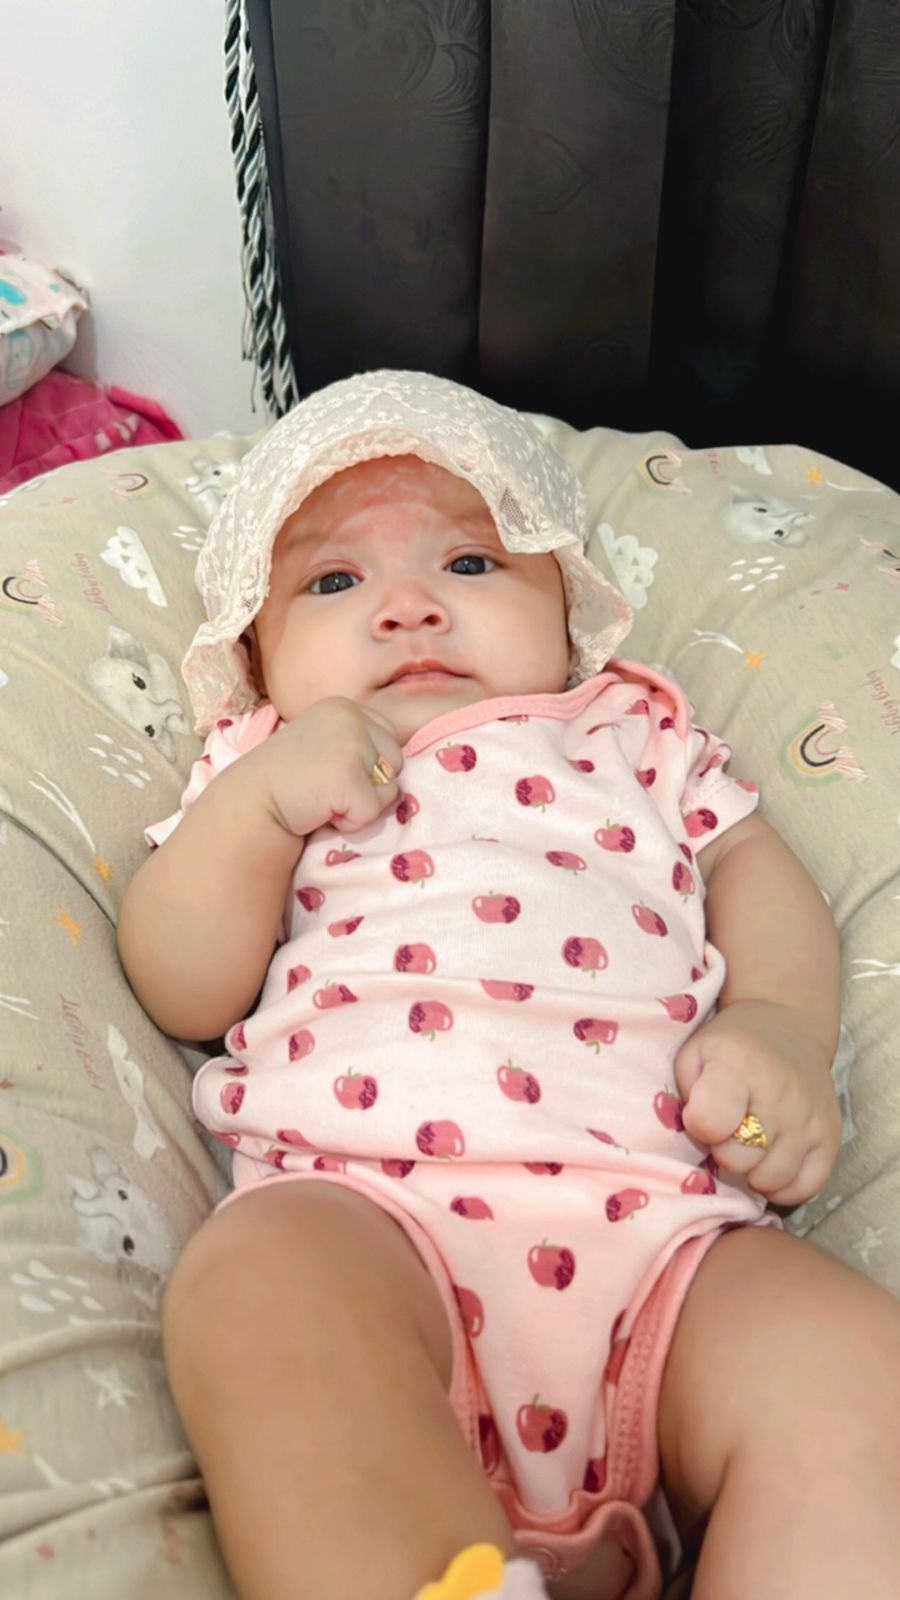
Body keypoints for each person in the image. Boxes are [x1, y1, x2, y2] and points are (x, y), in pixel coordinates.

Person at [117, 372, 899, 1600]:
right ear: (257, 655)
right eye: (334, 581)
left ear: (567, 604)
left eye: (472, 563)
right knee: (252, 1292)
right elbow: (181, 983)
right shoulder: (265, 762)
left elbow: (753, 865)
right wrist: (262, 803)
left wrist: (782, 1027)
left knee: (856, 1372)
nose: (410, 607)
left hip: (665, 1241)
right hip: (368, 1217)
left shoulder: (629, 729)